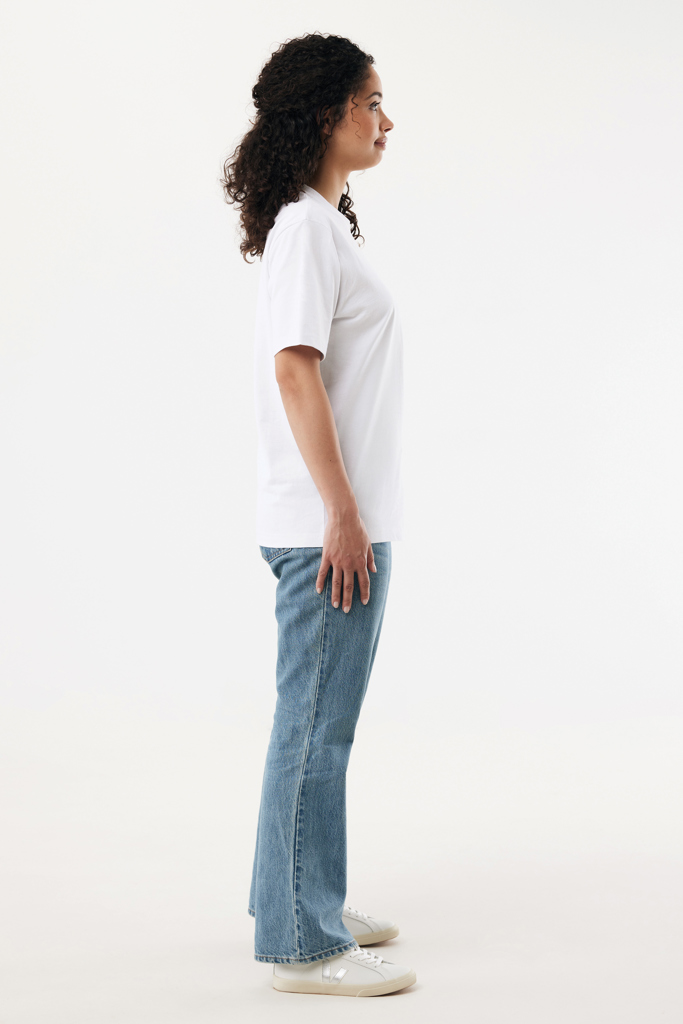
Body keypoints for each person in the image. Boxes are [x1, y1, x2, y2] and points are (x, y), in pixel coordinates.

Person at [221, 32, 416, 998]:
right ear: (324, 112)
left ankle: (298, 899)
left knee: (315, 724)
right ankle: (303, 944)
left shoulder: (320, 223)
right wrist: (341, 512)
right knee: (313, 731)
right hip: (324, 528)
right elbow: (295, 370)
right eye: (370, 102)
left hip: (336, 520)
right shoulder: (303, 227)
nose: (386, 120)